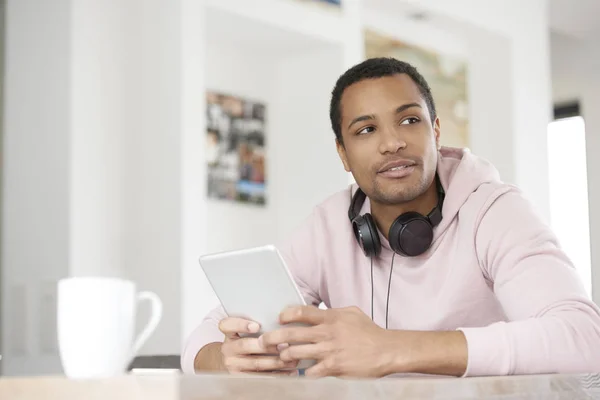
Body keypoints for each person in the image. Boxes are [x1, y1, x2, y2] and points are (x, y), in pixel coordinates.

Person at [181, 57, 600, 378]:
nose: (393, 142)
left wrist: (391, 348)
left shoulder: (495, 210)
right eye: (366, 130)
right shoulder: (330, 225)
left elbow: (583, 339)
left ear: (435, 131)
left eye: (409, 120)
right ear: (343, 154)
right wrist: (227, 358)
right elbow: (200, 337)